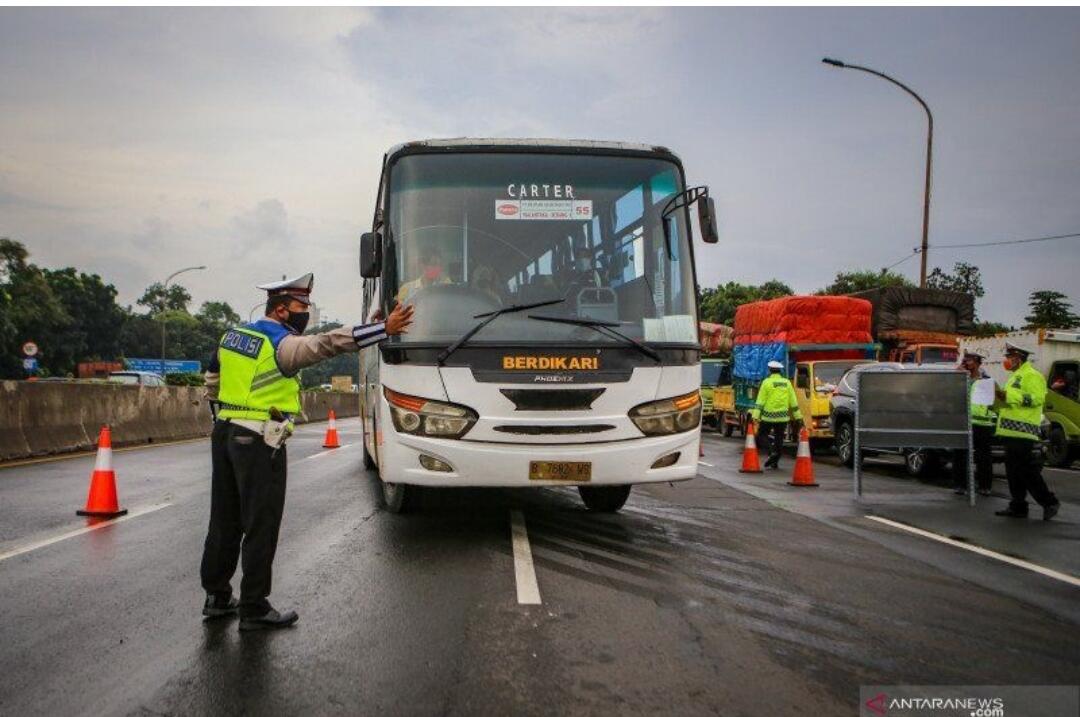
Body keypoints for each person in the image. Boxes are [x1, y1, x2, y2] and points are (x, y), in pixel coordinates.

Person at [200, 273, 414, 630]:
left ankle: (217, 597)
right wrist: (382, 330)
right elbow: (327, 344)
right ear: (282, 310)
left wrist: (226, 411)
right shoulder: (280, 345)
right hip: (259, 440)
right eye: (301, 307)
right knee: (260, 523)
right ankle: (254, 607)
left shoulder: (232, 337)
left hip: (224, 433)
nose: (305, 314)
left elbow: (211, 381)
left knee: (223, 519)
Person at [993, 341, 1060, 520]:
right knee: (1013, 472)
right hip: (1009, 432)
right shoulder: (1015, 376)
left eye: (1010, 357)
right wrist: (997, 404)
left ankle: (1049, 502)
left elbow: (1037, 399)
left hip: (1023, 432)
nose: (1007, 361)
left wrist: (1009, 396)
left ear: (1019, 358)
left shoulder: (1032, 375)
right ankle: (1018, 506)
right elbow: (1011, 403)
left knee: (1026, 471)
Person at [952, 350, 995, 496]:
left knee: (984, 457)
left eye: (969, 361)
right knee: (960, 454)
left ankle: (985, 486)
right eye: (964, 361)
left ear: (976, 362)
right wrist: (957, 376)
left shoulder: (986, 379)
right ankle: (960, 485)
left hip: (982, 423)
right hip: (963, 422)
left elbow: (989, 402)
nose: (966, 363)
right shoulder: (960, 377)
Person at [751, 360, 803, 470]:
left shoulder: (766, 382)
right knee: (779, 438)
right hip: (783, 417)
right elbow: (793, 402)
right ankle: (775, 461)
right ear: (780, 371)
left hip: (768, 417)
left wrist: (755, 416)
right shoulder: (787, 383)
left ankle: (771, 452)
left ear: (770, 370)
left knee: (761, 435)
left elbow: (760, 401)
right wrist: (798, 417)